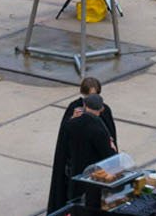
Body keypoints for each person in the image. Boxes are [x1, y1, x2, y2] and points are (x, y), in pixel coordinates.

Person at [47, 81, 118, 214]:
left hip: (78, 170)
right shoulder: (95, 125)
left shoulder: (76, 121)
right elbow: (109, 151)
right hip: (92, 173)